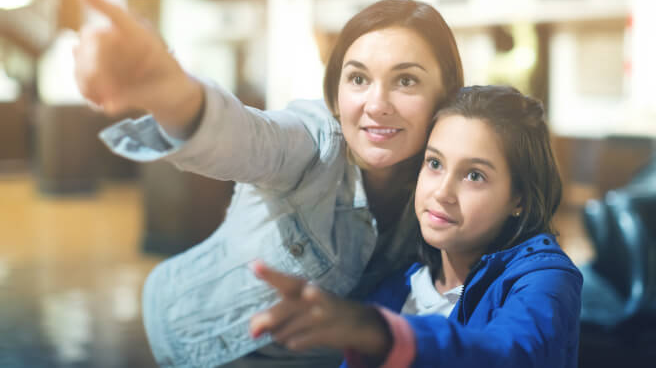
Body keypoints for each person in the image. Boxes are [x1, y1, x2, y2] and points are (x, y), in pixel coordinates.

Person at [72, 0, 464, 368]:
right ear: (336, 88)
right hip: (197, 347)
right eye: (358, 79)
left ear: (444, 96)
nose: (376, 105)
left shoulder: (448, 187)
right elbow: (246, 137)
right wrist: (170, 93)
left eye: (406, 81)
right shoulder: (313, 145)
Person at [250, 85, 583, 368]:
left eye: (474, 175)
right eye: (435, 163)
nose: (442, 192)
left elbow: (510, 354)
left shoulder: (545, 280)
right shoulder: (400, 283)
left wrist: (380, 332)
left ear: (519, 199)